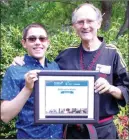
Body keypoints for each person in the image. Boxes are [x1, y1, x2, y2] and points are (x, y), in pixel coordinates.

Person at [10, 3, 129, 139]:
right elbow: (43, 71)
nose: (85, 26)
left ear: (99, 23)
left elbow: (127, 89)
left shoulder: (112, 53)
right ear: (74, 27)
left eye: (89, 21)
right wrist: (21, 61)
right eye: (80, 22)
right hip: (72, 132)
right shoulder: (65, 55)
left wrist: (110, 88)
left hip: (104, 131)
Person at [0, 23, 63, 139]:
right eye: (32, 39)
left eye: (42, 38)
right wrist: (27, 88)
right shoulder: (14, 71)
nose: (38, 42)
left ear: (47, 42)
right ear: (24, 43)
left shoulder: (55, 67)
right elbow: (5, 116)